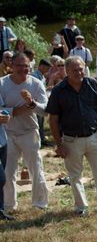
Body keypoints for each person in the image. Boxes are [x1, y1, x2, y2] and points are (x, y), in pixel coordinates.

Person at [46, 56, 97, 216]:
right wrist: (59, 144)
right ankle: (81, 208)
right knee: (75, 176)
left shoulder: (92, 84)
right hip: (70, 140)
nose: (78, 72)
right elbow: (53, 120)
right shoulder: (58, 91)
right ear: (67, 71)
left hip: (93, 136)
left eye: (80, 68)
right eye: (74, 70)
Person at [0, 52, 49, 211]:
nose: (23, 69)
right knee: (8, 172)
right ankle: (9, 205)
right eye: (19, 65)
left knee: (36, 169)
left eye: (26, 66)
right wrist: (16, 110)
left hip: (29, 132)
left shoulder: (36, 84)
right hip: (8, 133)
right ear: (11, 66)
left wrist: (32, 103)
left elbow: (46, 111)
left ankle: (39, 204)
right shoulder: (2, 84)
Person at [0, 98, 12, 220]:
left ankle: (0, 210)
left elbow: (3, 109)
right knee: (1, 178)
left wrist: (5, 115)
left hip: (2, 141)